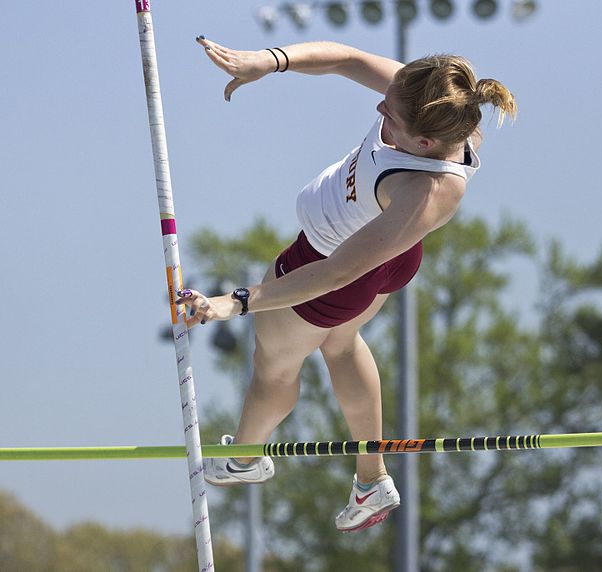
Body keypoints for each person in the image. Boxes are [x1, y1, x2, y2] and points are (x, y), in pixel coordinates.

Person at [178, 37, 517, 533]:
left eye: (391, 117)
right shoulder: (432, 100)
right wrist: (267, 63)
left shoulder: (428, 190)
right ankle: (370, 478)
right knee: (340, 344)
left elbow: (337, 272)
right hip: (380, 260)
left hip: (331, 265)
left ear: (424, 145)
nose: (381, 106)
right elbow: (349, 59)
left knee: (272, 366)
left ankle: (247, 458)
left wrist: (238, 300)